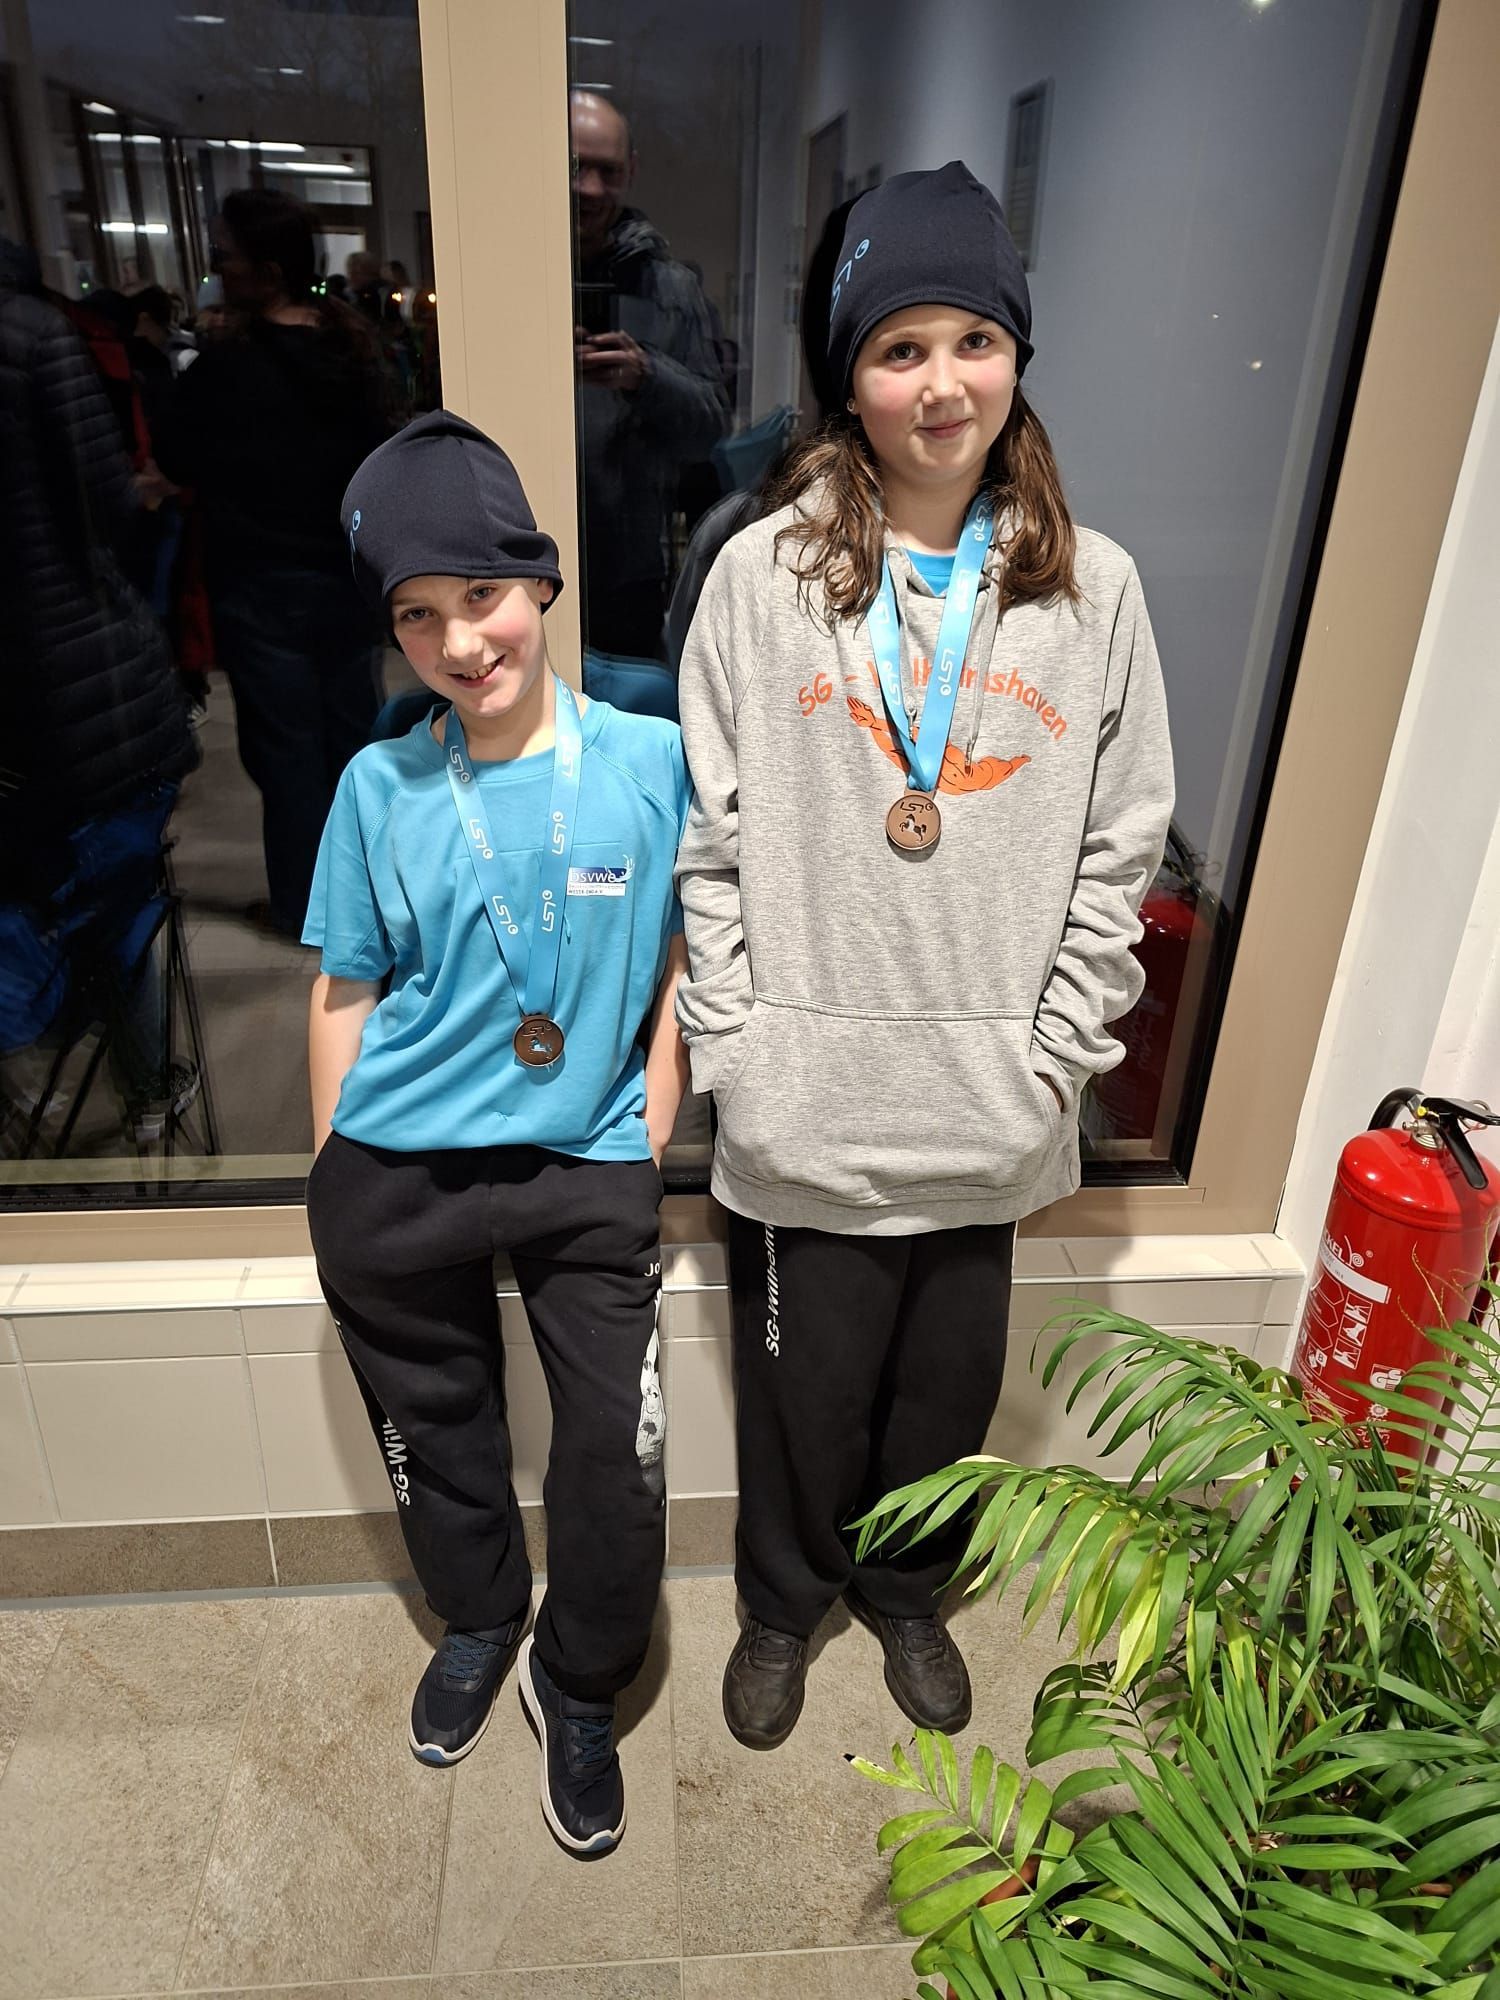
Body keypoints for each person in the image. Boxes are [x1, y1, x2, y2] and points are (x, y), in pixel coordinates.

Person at [673, 163, 1175, 1748]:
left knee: (944, 1404)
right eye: (900, 348)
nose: (941, 382)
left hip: (987, 1108)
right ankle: (781, 1605)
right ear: (849, 376)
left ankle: (906, 1596)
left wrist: (1056, 1056)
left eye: (974, 339)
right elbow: (710, 840)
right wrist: (742, 1054)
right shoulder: (760, 577)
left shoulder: (1094, 591)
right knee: (801, 1399)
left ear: (1018, 356)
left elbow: (1123, 845)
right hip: (806, 1111)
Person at [304, 411, 692, 1858]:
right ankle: (480, 1614)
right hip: (401, 1167)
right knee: (438, 1424)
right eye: (417, 614)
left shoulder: (649, 757)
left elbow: (683, 958)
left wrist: (655, 1115)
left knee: (615, 1450)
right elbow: (345, 986)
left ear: (538, 579)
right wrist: (335, 1161)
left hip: (587, 1162)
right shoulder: (378, 787)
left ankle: (578, 1678)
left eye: (480, 594)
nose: (461, 642)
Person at [154, 190, 395, 938]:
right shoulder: (356, 352)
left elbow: (175, 455)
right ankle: (373, 905)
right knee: (356, 749)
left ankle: (305, 911)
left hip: (259, 583)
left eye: (223, 255)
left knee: (287, 756)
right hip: (350, 579)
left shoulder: (228, 366)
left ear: (265, 270)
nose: (215, 269)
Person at [569, 89, 729, 662]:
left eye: (607, 171)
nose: (590, 188)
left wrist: (645, 375)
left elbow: (710, 427)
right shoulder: (506, 275)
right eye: (574, 166)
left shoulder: (670, 287)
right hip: (511, 555)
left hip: (628, 569)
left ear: (630, 171)